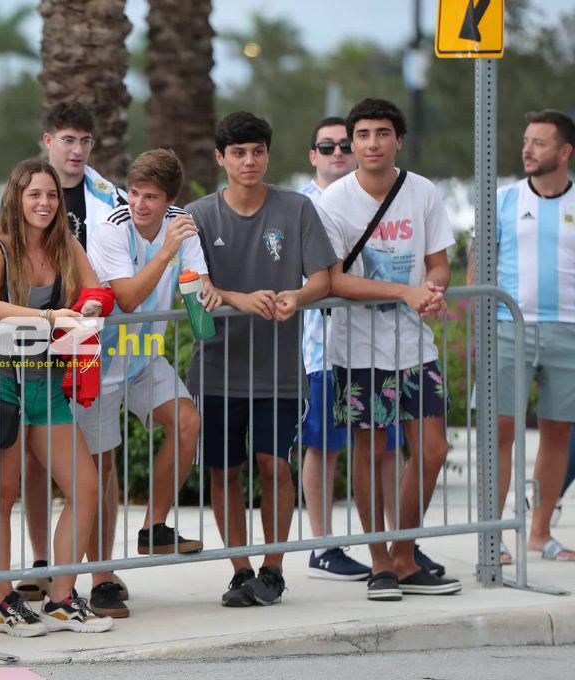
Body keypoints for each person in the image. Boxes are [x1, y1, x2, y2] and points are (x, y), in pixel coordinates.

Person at [186, 112, 336, 608]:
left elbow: (322, 279)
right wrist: (239, 298)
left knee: (274, 465)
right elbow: (195, 285)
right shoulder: (198, 216)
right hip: (216, 367)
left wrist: (297, 296)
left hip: (281, 370)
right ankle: (240, 569)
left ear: (268, 154)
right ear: (220, 158)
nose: (249, 161)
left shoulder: (296, 209)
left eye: (257, 151)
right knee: (224, 471)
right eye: (238, 153)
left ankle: (272, 569)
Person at [317, 98, 461, 600]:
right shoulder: (333, 200)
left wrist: (434, 290)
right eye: (362, 134)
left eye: (382, 133)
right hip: (356, 349)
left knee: (433, 448)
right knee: (369, 449)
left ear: (398, 139)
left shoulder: (422, 191)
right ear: (351, 143)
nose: (372, 143)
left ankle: (404, 552)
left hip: (415, 347)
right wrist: (405, 292)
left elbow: (437, 262)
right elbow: (334, 280)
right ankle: (379, 561)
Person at [0, 158, 112, 637]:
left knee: (86, 487)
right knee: (2, 493)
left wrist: (91, 303)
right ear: (16, 196)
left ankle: (61, 600)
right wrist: (54, 316)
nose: (45, 203)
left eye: (51, 195)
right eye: (35, 194)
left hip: (46, 385)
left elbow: (96, 289)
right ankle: (3, 599)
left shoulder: (65, 244)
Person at [80, 149, 219, 618]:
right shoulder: (111, 228)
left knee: (187, 422)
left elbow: (195, 286)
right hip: (98, 360)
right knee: (102, 471)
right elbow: (130, 298)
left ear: (169, 199)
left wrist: (207, 292)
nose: (140, 204)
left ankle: (153, 528)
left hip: (142, 357)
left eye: (151, 197)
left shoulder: (182, 224)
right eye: (135, 193)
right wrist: (167, 252)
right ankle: (101, 578)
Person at [18, 100, 128, 602]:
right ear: (48, 141)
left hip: (92, 350)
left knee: (99, 463)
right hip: (36, 353)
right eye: (68, 139)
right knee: (40, 468)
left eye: (85, 141)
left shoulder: (111, 198)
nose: (78, 150)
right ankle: (44, 566)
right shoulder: (26, 193)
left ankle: (101, 573)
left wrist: (84, 313)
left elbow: (111, 283)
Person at [467, 109, 575, 563]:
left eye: (540, 143)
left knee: (557, 435)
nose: (528, 149)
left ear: (565, 152)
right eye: (526, 141)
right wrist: (479, 322)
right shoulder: (504, 199)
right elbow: (478, 261)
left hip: (569, 331)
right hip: (508, 328)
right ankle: (493, 536)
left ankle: (539, 533)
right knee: (500, 431)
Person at [297, 117, 371, 580]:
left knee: (374, 447)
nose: (338, 153)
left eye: (346, 144)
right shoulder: (301, 207)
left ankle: (387, 543)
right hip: (320, 347)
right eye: (328, 147)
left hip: (372, 346)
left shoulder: (369, 199)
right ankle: (322, 545)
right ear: (313, 155)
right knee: (322, 447)